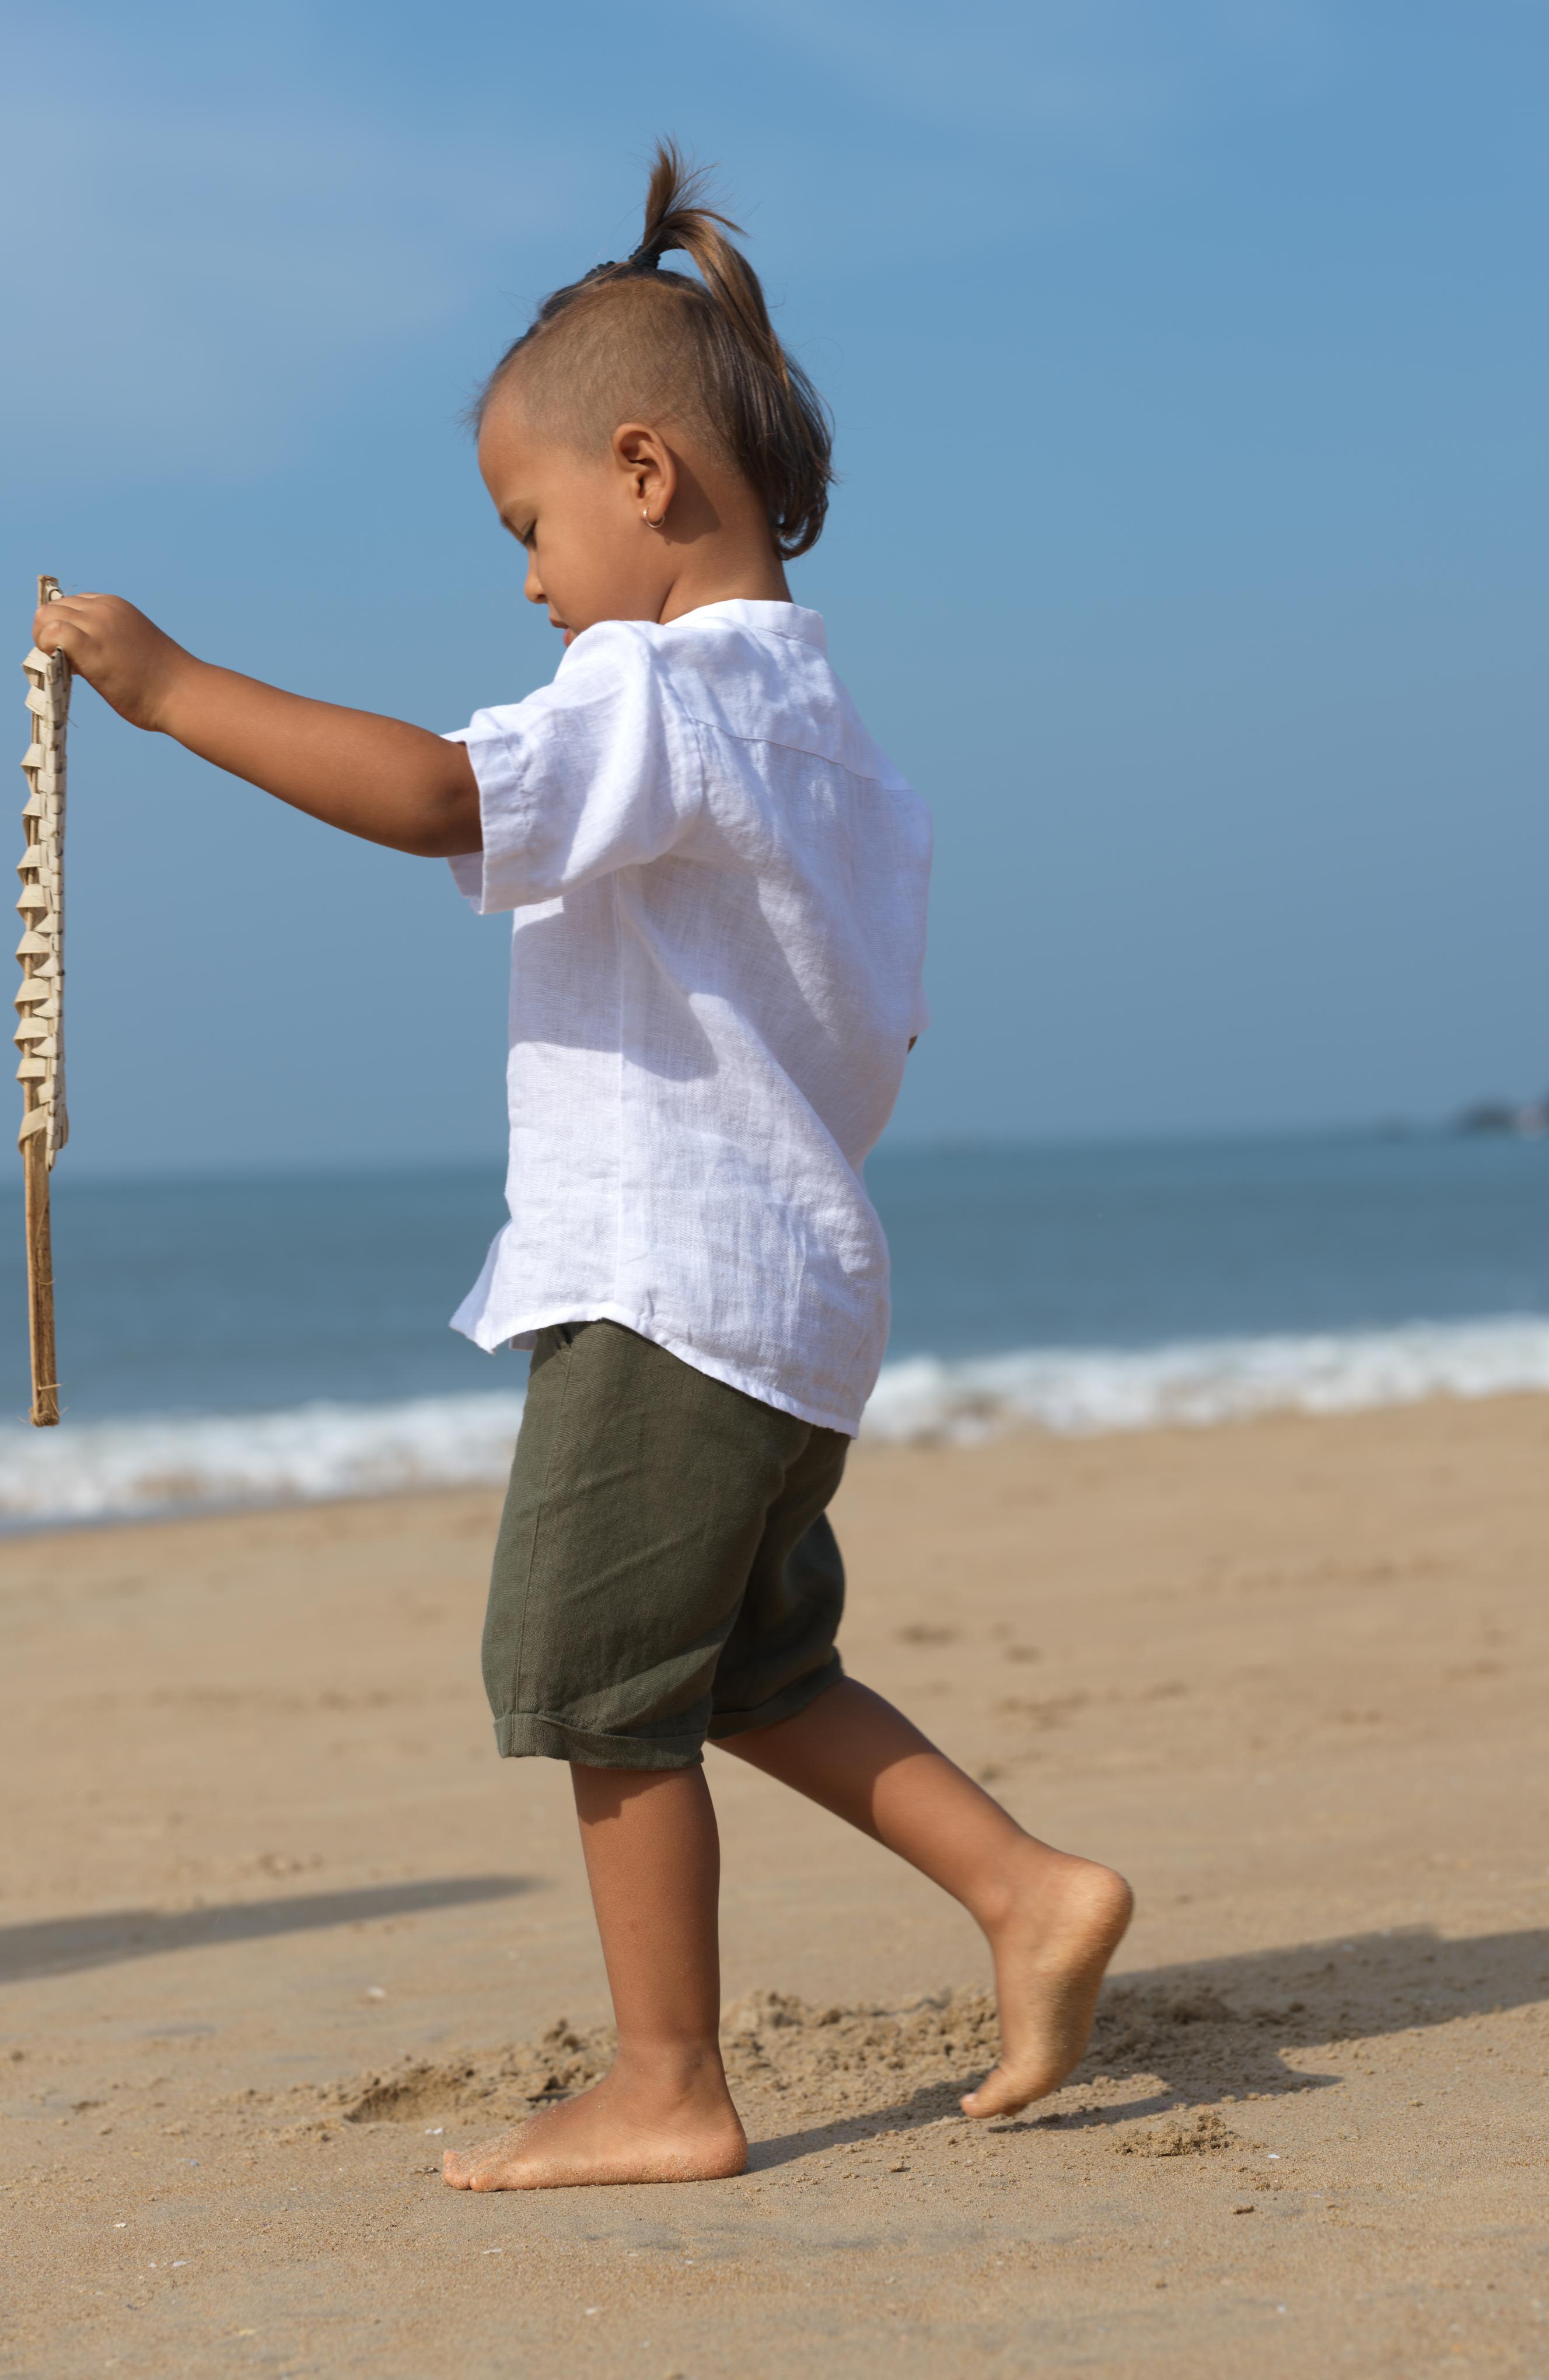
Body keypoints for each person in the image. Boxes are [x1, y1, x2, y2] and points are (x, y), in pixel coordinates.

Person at [35, 143, 1133, 2190]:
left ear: (643, 475)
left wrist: (178, 694)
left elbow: (454, 794)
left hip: (667, 1275)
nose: (527, 583)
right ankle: (1025, 1889)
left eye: (525, 527)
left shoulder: (663, 691)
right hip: (793, 1285)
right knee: (745, 1665)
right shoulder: (835, 742)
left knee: (591, 1680)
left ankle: (665, 2082)